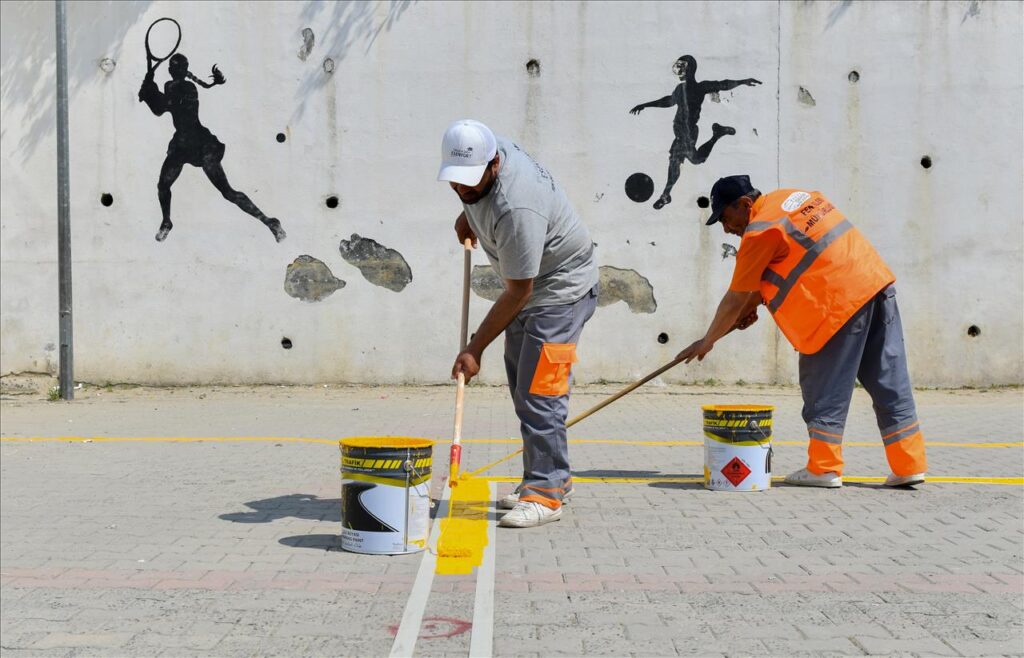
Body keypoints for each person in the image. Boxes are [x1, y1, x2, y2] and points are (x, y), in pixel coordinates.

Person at [677, 175, 928, 488]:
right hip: (874, 286)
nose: (727, 229)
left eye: (726, 218)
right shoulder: (797, 199)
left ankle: (824, 468)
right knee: (889, 380)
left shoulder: (760, 230)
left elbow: (736, 297)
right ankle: (908, 464)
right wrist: (747, 309)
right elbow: (788, 266)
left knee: (824, 389)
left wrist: (707, 340)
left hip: (836, 307)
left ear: (745, 205)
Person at [437, 119, 599, 527]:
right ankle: (553, 477)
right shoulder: (488, 152)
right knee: (523, 389)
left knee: (540, 393)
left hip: (560, 293)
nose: (463, 191)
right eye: (456, 184)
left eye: (471, 185)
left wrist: (474, 348)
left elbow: (518, 292)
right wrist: (471, 215)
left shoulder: (517, 209)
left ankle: (545, 494)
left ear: (494, 164)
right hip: (532, 288)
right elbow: (474, 195)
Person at [139, 53, 286, 243]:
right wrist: (150, 90)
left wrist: (149, 89)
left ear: (179, 71)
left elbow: (161, 107)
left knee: (227, 192)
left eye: (177, 68)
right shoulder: (173, 86)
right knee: (163, 185)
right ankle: (166, 222)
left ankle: (269, 221)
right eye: (174, 69)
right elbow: (161, 106)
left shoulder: (184, 87)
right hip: (182, 144)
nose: (175, 71)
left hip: (201, 144)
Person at [629, 55, 761, 210]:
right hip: (680, 134)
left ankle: (666, 194)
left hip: (689, 132)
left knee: (689, 160)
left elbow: (723, 84)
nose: (679, 70)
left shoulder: (701, 87)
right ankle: (717, 134)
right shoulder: (680, 89)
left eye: (682, 66)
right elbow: (668, 101)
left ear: (690, 68)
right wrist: (645, 105)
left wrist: (742, 82)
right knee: (683, 161)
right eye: (678, 67)